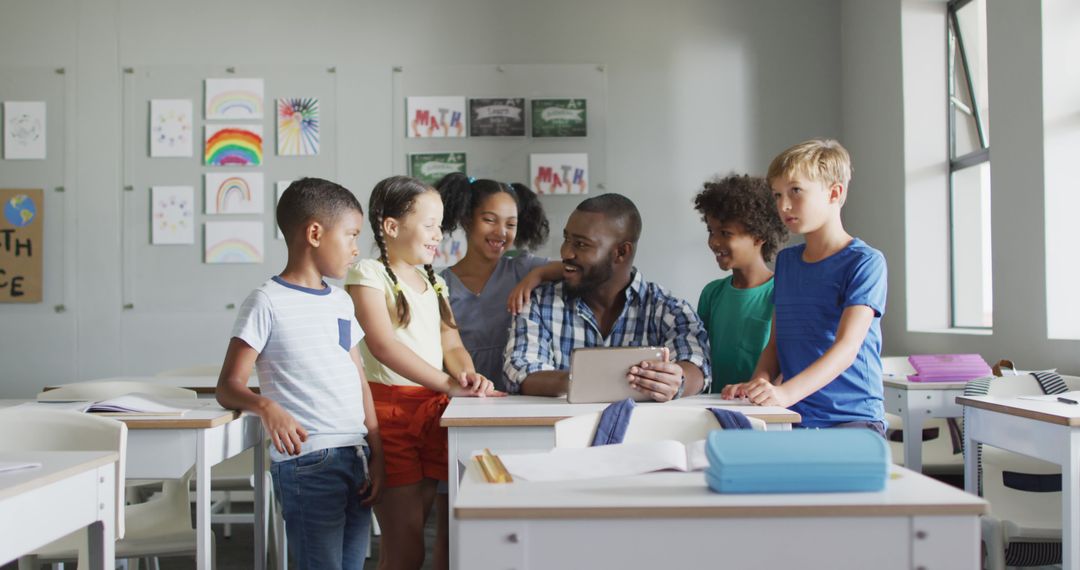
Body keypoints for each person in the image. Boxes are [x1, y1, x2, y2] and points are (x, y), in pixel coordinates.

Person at [216, 177, 382, 570]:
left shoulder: (341, 301)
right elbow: (228, 386)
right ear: (314, 233)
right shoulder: (266, 302)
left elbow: (358, 377)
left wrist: (378, 451)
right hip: (308, 464)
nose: (357, 249)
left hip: (355, 457)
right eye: (352, 235)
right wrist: (266, 407)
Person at [346, 175, 499, 570]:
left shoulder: (434, 282)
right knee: (405, 546)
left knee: (419, 534)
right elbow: (384, 346)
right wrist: (450, 384)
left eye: (440, 225)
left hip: (432, 411)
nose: (439, 235)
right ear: (391, 227)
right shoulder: (368, 274)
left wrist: (467, 376)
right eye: (430, 225)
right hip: (391, 413)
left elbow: (452, 345)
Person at [721, 139, 888, 436]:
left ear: (835, 193)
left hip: (852, 419)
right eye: (777, 195)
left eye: (795, 191)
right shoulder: (786, 262)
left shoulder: (866, 263)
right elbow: (775, 343)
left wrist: (784, 394)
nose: (783, 205)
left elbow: (847, 348)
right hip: (793, 416)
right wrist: (760, 383)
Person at [504, 193, 711, 401]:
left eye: (581, 244)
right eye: (567, 239)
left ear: (621, 252)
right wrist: (591, 380)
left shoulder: (668, 308)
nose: (566, 252)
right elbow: (520, 370)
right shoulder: (539, 303)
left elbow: (698, 364)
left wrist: (677, 381)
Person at [436, 173, 562, 391]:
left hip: (520, 392)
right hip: (466, 394)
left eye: (511, 224)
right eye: (489, 220)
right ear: (467, 220)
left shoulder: (523, 268)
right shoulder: (441, 283)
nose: (501, 232)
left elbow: (573, 268)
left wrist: (537, 275)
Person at [693, 174, 788, 392]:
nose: (714, 242)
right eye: (711, 231)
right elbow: (700, 356)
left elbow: (786, 360)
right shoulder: (712, 293)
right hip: (715, 404)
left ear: (759, 236)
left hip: (760, 408)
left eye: (725, 233)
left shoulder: (781, 292)